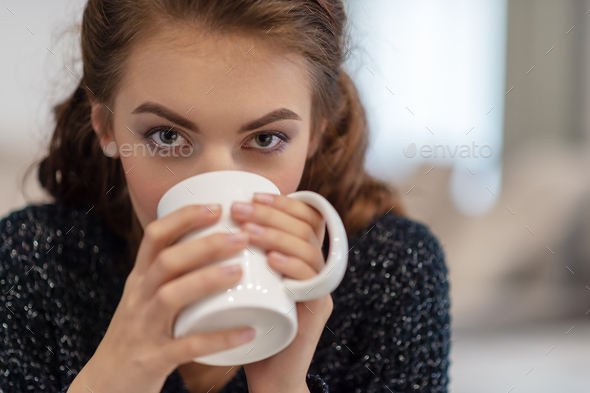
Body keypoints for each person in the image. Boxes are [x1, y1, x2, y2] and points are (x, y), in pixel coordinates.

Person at [0, 0, 451, 392]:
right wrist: (115, 377)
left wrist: (283, 386)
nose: (214, 194)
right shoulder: (34, 264)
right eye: (166, 135)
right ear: (105, 127)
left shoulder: (395, 271)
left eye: (266, 139)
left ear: (315, 133)